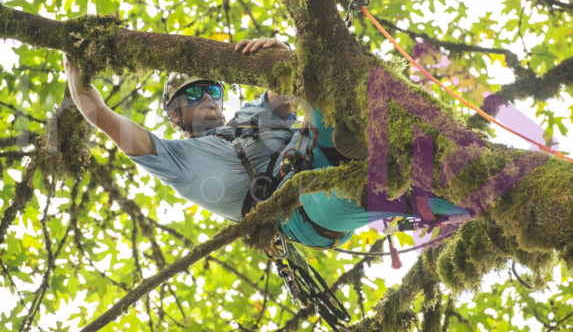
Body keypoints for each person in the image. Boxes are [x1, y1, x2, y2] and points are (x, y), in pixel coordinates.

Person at [66, 36, 468, 251]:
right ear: (174, 115)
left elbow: (291, 81)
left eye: (211, 90)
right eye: (192, 94)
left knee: (337, 85)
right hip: (296, 210)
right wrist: (75, 61)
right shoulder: (175, 159)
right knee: (370, 191)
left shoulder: (248, 117)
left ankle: (381, 140)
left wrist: (280, 51)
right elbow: (101, 115)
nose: (206, 97)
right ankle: (475, 200)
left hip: (315, 150)